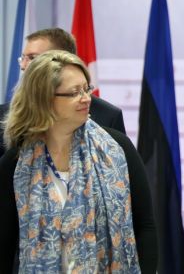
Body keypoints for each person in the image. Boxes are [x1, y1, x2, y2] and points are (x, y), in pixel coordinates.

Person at [0, 50, 157, 272]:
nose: (86, 98)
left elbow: (145, 226)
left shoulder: (117, 148)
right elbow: (4, 243)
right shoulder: (16, 163)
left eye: (86, 89)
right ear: (44, 99)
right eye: (74, 92)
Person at [0, 28, 126, 157]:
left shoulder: (108, 117)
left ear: (61, 58)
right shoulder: (4, 117)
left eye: (32, 58)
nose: (23, 65)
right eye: (23, 58)